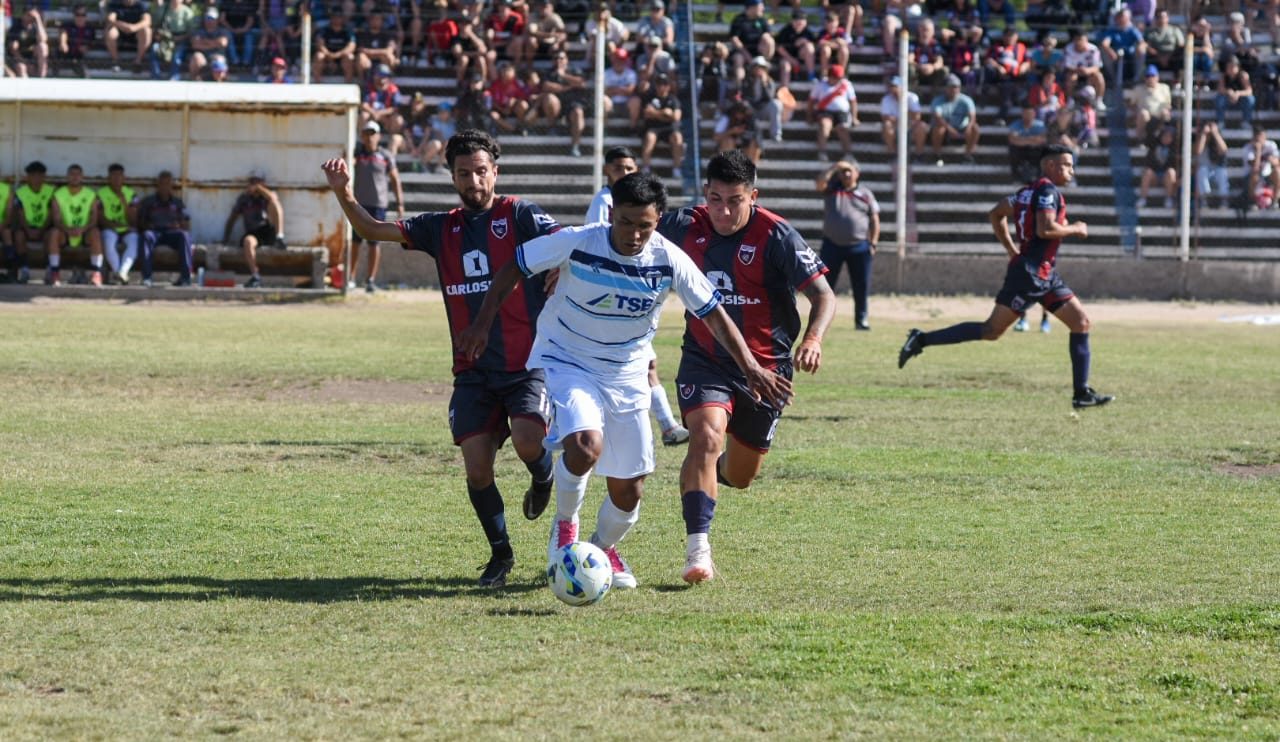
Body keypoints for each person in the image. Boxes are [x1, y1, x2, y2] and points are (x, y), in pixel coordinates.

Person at [458, 172, 791, 590]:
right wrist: (482, 325)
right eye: (627, 222)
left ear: (658, 220)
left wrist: (751, 368)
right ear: (612, 214)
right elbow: (514, 266)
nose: (635, 234)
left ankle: (599, 550)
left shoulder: (669, 259)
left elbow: (713, 314)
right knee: (584, 445)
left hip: (627, 373)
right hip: (568, 360)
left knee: (630, 490)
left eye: (645, 226)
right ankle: (565, 528)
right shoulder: (579, 241)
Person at [321, 129, 560, 589]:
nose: (474, 181)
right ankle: (500, 554)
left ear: (496, 172)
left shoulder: (521, 214)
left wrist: (558, 267)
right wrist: (344, 194)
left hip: (526, 363)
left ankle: (542, 476)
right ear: (452, 176)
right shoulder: (440, 227)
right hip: (472, 371)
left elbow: (565, 239)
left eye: (481, 172)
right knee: (476, 467)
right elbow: (371, 230)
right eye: (464, 173)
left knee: (531, 442)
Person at [657, 150, 836, 583]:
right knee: (705, 436)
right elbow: (622, 236)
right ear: (705, 193)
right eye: (715, 198)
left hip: (767, 371)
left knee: (740, 475)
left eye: (734, 200)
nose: (722, 210)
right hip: (706, 360)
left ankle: (710, 475)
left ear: (752, 196)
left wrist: (812, 339)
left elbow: (825, 296)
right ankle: (698, 550)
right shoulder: (682, 226)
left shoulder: (777, 236)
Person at [898, 144, 1114, 410]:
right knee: (991, 331)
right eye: (1067, 165)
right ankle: (921, 339)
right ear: (1049, 166)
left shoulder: (1025, 193)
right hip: (1030, 275)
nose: (1071, 170)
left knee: (1081, 322)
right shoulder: (1047, 191)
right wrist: (1075, 229)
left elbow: (996, 213)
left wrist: (1012, 250)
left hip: (1044, 273)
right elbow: (1045, 229)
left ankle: (1081, 393)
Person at [585, 146, 690, 447]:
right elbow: (595, 234)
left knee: (647, 364)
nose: (625, 173)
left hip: (632, 292)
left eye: (630, 168)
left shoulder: (638, 203)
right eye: (619, 168)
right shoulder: (604, 201)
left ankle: (668, 426)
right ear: (607, 170)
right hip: (611, 292)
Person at [816, 159, 878, 330]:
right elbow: (819, 183)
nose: (847, 174)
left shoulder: (865, 194)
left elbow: (874, 219)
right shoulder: (831, 190)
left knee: (861, 286)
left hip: (859, 246)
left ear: (857, 173)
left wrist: (873, 243)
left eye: (850, 170)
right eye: (843, 172)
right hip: (832, 245)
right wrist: (834, 167)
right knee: (824, 286)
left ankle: (861, 320)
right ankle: (821, 319)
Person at [348, 121, 405, 293]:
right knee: (355, 243)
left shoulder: (385, 156)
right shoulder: (357, 154)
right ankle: (350, 278)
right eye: (366, 133)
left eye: (372, 133)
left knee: (374, 244)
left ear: (379, 136)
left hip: (378, 205)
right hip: (358, 204)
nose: (369, 137)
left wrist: (400, 202)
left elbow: (395, 179)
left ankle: (370, 280)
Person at [224, 172, 285, 288]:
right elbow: (232, 219)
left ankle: (280, 237)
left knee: (275, 203)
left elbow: (273, 198)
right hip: (253, 232)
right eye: (252, 182)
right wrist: (226, 238)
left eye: (257, 182)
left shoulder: (268, 196)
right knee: (248, 242)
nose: (254, 185)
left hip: (267, 230)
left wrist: (259, 189)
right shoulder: (244, 199)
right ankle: (255, 275)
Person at [136, 170, 195, 288]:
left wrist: (180, 225)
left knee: (184, 236)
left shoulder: (177, 203)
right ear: (158, 185)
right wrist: (148, 226)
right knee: (146, 235)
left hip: (171, 233)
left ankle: (185, 278)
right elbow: (140, 222)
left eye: (167, 184)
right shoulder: (149, 201)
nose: (165, 187)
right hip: (155, 232)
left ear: (171, 186)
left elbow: (187, 224)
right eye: (162, 183)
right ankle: (147, 278)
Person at [49, 164, 104, 287]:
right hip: (65, 232)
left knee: (95, 232)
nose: (74, 177)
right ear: (67, 176)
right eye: (72, 174)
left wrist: (82, 229)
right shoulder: (58, 194)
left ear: (82, 177)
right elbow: (56, 219)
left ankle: (97, 273)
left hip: (84, 232)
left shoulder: (90, 194)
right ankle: (55, 272)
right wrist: (68, 229)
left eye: (77, 174)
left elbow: (94, 219)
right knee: (54, 233)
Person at [13, 161, 55, 286]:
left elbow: (51, 213)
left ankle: (49, 270)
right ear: (28, 177)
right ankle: (24, 269)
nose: (36, 179)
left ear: (44, 177)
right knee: (19, 235)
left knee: (51, 235)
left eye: (39, 175)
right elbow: (20, 215)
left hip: (45, 227)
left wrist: (41, 230)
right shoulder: (21, 192)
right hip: (27, 227)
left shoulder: (50, 191)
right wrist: (28, 230)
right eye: (33, 175)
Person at [98, 163, 140, 285]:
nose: (117, 179)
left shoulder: (131, 194)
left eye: (119, 176)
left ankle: (123, 271)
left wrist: (124, 203)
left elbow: (133, 221)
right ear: (108, 178)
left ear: (124, 178)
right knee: (108, 241)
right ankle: (118, 272)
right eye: (113, 176)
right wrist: (113, 226)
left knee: (134, 240)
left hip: (126, 228)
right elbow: (100, 218)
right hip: (110, 228)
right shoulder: (101, 193)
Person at [808, 64, 858, 161]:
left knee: (843, 128)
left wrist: (855, 117)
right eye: (836, 78)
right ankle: (822, 152)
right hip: (825, 111)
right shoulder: (820, 85)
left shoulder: (846, 85)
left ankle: (848, 154)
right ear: (830, 76)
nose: (838, 80)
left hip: (842, 112)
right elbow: (811, 101)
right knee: (824, 125)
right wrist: (809, 116)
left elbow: (853, 101)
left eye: (840, 78)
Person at [638, 74, 684, 180]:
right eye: (658, 84)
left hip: (670, 129)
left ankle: (677, 169)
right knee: (649, 137)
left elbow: (676, 117)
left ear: (668, 86)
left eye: (664, 84)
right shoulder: (650, 97)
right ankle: (646, 168)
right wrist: (664, 113)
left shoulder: (673, 99)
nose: (661, 86)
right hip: (653, 128)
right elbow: (646, 113)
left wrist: (655, 114)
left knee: (677, 137)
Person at [929, 74, 980, 164]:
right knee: (939, 128)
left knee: (975, 128)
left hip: (962, 129)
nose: (954, 90)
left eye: (956, 87)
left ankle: (968, 156)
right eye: (951, 87)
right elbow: (938, 117)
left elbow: (972, 116)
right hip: (946, 131)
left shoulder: (966, 100)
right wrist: (950, 130)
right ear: (946, 88)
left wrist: (968, 127)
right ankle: (937, 155)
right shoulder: (938, 100)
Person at [880, 75, 927, 155]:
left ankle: (919, 155)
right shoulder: (886, 99)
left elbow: (917, 117)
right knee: (887, 125)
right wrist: (901, 120)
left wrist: (902, 103)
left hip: (910, 125)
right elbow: (885, 117)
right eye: (891, 86)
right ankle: (892, 154)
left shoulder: (912, 97)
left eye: (895, 86)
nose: (893, 89)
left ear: (902, 87)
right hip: (895, 125)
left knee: (921, 126)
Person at [104, 0, 154, 73]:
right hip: (120, 34)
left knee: (147, 31)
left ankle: (138, 62)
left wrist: (133, 28)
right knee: (110, 32)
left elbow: (147, 21)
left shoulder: (142, 5)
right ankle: (116, 61)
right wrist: (124, 26)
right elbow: (110, 19)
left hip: (136, 35)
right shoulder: (114, 4)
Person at [1008, 103, 1048, 182]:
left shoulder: (1040, 125)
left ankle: (1040, 176)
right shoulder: (1015, 125)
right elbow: (1012, 139)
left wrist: (1022, 139)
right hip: (1020, 149)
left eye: (1030, 113)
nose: (1027, 116)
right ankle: (1016, 177)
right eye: (1025, 113)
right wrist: (1032, 139)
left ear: (1034, 114)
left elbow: (1043, 139)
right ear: (1022, 114)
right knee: (1013, 149)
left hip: (1035, 149)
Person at [55, 5, 96, 78]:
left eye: (83, 15)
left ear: (86, 16)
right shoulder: (68, 25)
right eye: (78, 15)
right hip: (64, 55)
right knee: (56, 67)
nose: (80, 17)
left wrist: (87, 47)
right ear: (74, 15)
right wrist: (63, 43)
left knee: (85, 75)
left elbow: (92, 42)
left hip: (78, 57)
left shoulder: (90, 29)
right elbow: (63, 34)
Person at [314, 12, 356, 82]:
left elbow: (351, 46)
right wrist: (330, 57)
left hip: (342, 57)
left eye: (339, 17)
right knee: (319, 56)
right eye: (334, 17)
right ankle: (317, 82)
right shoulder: (324, 30)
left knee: (350, 57)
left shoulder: (348, 31)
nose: (336, 19)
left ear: (342, 19)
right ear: (330, 18)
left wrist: (337, 55)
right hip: (327, 56)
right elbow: (320, 45)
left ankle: (348, 82)